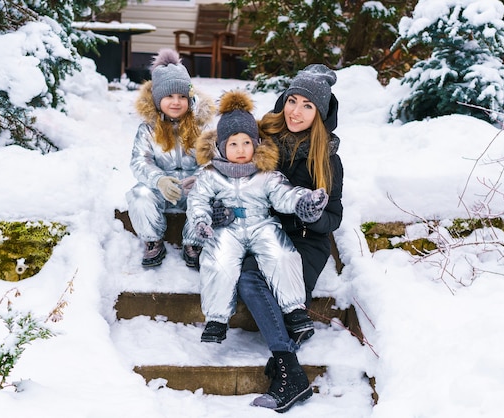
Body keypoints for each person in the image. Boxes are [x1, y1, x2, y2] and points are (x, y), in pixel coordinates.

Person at [213, 64, 343, 413]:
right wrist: (218, 210)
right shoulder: (258, 138)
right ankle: (293, 366)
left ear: (319, 114)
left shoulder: (327, 158)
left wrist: (312, 215)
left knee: (266, 285)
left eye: (307, 106)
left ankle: (288, 371)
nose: (295, 111)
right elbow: (221, 175)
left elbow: (334, 217)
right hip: (263, 235)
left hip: (303, 242)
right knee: (248, 279)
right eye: (292, 100)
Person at [186, 90, 328, 345]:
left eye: (246, 143)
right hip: (227, 229)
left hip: (261, 224)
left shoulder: (265, 173)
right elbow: (198, 199)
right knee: (218, 261)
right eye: (233, 144)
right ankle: (217, 320)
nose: (241, 150)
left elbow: (282, 194)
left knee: (282, 254)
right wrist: (202, 220)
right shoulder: (211, 174)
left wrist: (302, 202)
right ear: (220, 146)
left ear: (256, 144)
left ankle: (295, 310)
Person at [126, 48, 215, 269]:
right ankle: (152, 240)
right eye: (169, 96)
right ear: (157, 99)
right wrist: (159, 180)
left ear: (189, 98)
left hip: (192, 188)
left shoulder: (202, 127)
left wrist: (199, 179)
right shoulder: (147, 129)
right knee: (138, 194)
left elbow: (213, 160)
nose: (176, 102)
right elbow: (140, 161)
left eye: (182, 97)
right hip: (161, 188)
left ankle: (193, 243)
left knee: (211, 194)